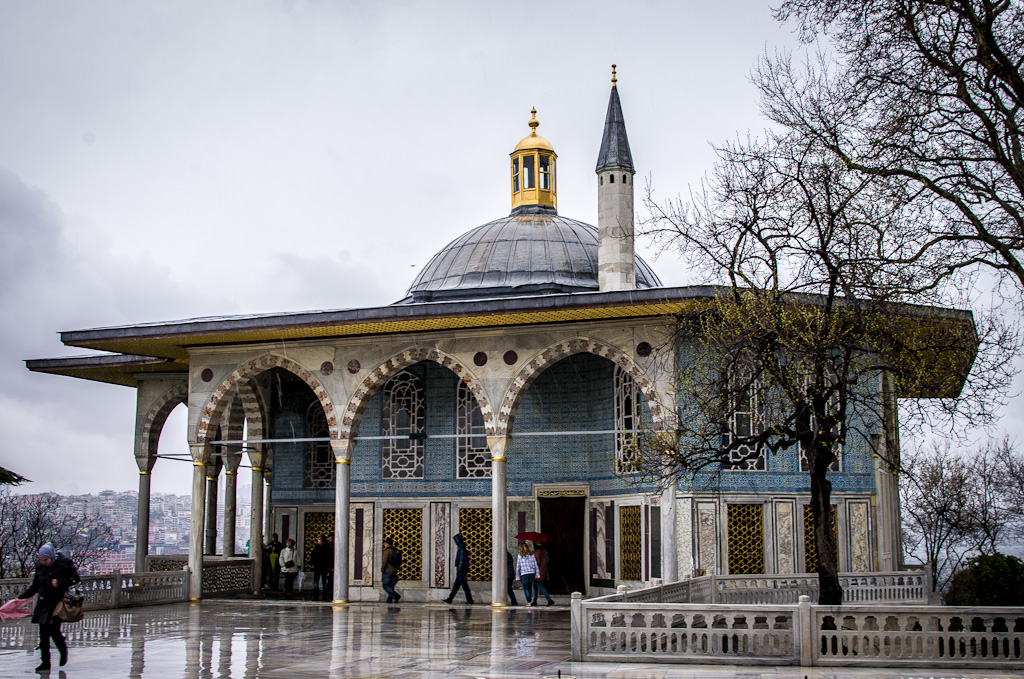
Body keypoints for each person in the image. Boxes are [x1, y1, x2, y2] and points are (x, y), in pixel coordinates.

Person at [18, 542, 80, 672]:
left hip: (58, 603)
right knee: (43, 635)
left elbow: (75, 578)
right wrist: (20, 598)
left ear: (51, 556)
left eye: (45, 560)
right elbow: (35, 586)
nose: (43, 562)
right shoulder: (40, 567)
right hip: (43, 602)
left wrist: (60, 582)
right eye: (41, 560)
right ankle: (45, 662)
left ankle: (63, 650)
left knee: (54, 630)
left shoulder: (65, 563)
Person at [442, 533, 474, 604]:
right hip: (461, 570)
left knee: (464, 586)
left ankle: (470, 600)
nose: (455, 542)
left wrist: (459, 570)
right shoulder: (461, 548)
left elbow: (461, 561)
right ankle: (450, 599)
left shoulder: (461, 549)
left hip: (461, 571)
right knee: (456, 586)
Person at [381, 537, 401, 603]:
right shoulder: (395, 550)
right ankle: (389, 600)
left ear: (387, 544)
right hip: (394, 571)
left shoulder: (387, 551)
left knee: (385, 585)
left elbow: (384, 561)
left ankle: (396, 596)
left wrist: (382, 569)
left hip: (388, 571)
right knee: (391, 586)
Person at [311, 535, 330, 600]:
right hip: (324, 567)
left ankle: (316, 596)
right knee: (324, 581)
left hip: (318, 566)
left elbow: (313, 556)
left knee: (317, 581)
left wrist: (312, 563)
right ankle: (324, 596)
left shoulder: (317, 548)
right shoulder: (328, 547)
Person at [323, 533, 336, 602]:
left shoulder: (334, 544)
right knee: (330, 578)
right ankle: (329, 589)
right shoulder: (328, 545)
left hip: (335, 564)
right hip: (329, 564)